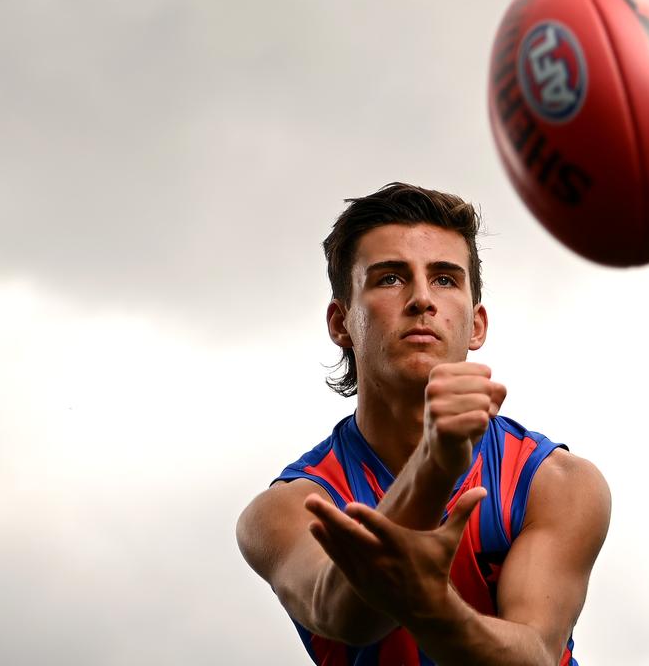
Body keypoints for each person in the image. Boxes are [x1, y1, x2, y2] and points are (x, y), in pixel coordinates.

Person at [236, 183, 611, 665]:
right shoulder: (285, 509)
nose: (421, 299)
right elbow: (343, 613)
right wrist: (435, 467)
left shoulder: (555, 482)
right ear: (340, 322)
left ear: (476, 325)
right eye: (390, 278)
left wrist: (432, 605)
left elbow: (534, 655)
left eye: (446, 279)